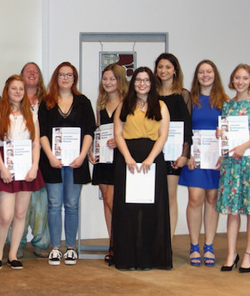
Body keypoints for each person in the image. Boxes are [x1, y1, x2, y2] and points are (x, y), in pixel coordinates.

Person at [111, 67, 172, 270]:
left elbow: (163, 135)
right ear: (133, 82)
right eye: (138, 80)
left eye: (146, 80)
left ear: (152, 83)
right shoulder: (124, 105)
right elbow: (118, 133)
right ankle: (127, 258)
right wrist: (128, 158)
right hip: (127, 161)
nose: (142, 83)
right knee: (127, 209)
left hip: (152, 162)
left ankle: (148, 259)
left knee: (150, 209)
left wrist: (150, 158)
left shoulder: (161, 106)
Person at [38, 62, 96, 266]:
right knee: (54, 205)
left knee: (71, 205)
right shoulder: (47, 102)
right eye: (62, 74)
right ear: (56, 77)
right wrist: (50, 156)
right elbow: (42, 132)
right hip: (52, 162)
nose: (65, 78)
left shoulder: (83, 102)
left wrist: (82, 155)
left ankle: (70, 248)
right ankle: (55, 248)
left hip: (76, 162)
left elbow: (90, 130)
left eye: (69, 75)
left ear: (74, 78)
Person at [217, 64, 250, 273]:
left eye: (245, 78)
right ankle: (231, 253)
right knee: (232, 210)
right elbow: (226, 133)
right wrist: (220, 135)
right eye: (237, 78)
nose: (240, 82)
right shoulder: (227, 105)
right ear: (232, 80)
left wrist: (244, 146)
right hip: (231, 163)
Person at [0, 75, 45, 270]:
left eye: (21, 89)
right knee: (5, 215)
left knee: (21, 214)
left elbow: (36, 143)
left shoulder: (32, 113)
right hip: (5, 165)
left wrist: (34, 166)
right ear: (7, 90)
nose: (18, 92)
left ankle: (12, 254)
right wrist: (2, 168)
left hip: (26, 166)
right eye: (14, 88)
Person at [179, 60, 228, 267]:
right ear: (196, 75)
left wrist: (225, 152)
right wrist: (186, 153)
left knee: (213, 198)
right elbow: (183, 127)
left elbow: (229, 131)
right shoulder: (190, 99)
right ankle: (193, 245)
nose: (205, 75)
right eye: (201, 72)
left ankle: (208, 245)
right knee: (195, 198)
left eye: (209, 71)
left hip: (217, 158)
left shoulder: (224, 101)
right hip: (195, 158)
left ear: (215, 75)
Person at [9, 62, 51, 258]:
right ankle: (16, 245)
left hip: (42, 160)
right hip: (17, 161)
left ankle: (41, 243)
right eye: (28, 71)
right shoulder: (14, 100)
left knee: (40, 206)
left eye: (35, 71)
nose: (32, 74)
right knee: (18, 206)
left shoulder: (50, 100)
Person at [88, 63, 128, 264]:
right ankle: (113, 245)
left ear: (120, 81)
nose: (108, 82)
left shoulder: (129, 103)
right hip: (103, 158)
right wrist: (91, 150)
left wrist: (121, 141)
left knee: (114, 201)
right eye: (105, 79)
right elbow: (97, 129)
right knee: (106, 200)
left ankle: (122, 244)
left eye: (112, 78)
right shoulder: (100, 104)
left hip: (119, 158)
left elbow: (133, 131)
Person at [154, 53, 192, 242]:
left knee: (169, 197)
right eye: (160, 67)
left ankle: (166, 242)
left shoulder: (183, 95)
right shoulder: (150, 94)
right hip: (152, 153)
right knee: (153, 198)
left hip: (173, 154)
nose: (164, 71)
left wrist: (185, 154)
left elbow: (187, 127)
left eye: (168, 67)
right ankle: (153, 239)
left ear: (175, 70)